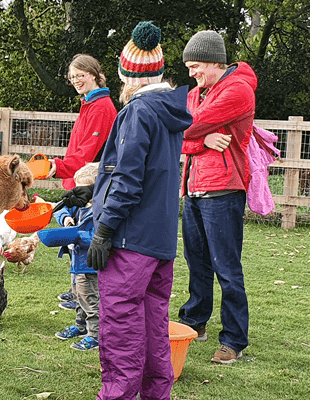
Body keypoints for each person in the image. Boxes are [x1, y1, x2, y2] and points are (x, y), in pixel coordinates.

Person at [90, 21, 193, 400]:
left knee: (120, 328)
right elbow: (150, 173)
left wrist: (105, 229)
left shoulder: (137, 112)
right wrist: (92, 187)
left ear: (127, 74)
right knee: (153, 328)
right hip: (160, 240)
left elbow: (130, 179)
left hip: (130, 241)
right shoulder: (168, 111)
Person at [176, 29, 259, 365]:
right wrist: (201, 142)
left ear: (214, 61)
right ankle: (196, 321)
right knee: (196, 260)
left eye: (196, 66)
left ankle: (234, 339)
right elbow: (180, 133)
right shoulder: (199, 91)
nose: (192, 73)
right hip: (193, 186)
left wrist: (192, 134)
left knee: (226, 266)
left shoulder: (238, 90)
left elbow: (183, 123)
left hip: (223, 187)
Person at [50, 54, 118, 310]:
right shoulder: (89, 103)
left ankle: (86, 297)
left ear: (94, 73)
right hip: (77, 181)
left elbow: (88, 154)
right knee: (75, 240)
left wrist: (58, 167)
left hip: (89, 185)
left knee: (85, 239)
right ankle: (77, 290)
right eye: (72, 77)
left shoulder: (101, 107)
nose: (77, 80)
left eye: (81, 75)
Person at [51, 162, 102, 351]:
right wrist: (65, 218)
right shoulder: (79, 206)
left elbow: (99, 239)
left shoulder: (100, 211)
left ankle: (95, 335)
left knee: (91, 299)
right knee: (78, 296)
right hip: (76, 262)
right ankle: (80, 326)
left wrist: (76, 235)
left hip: (90, 265)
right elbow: (60, 209)